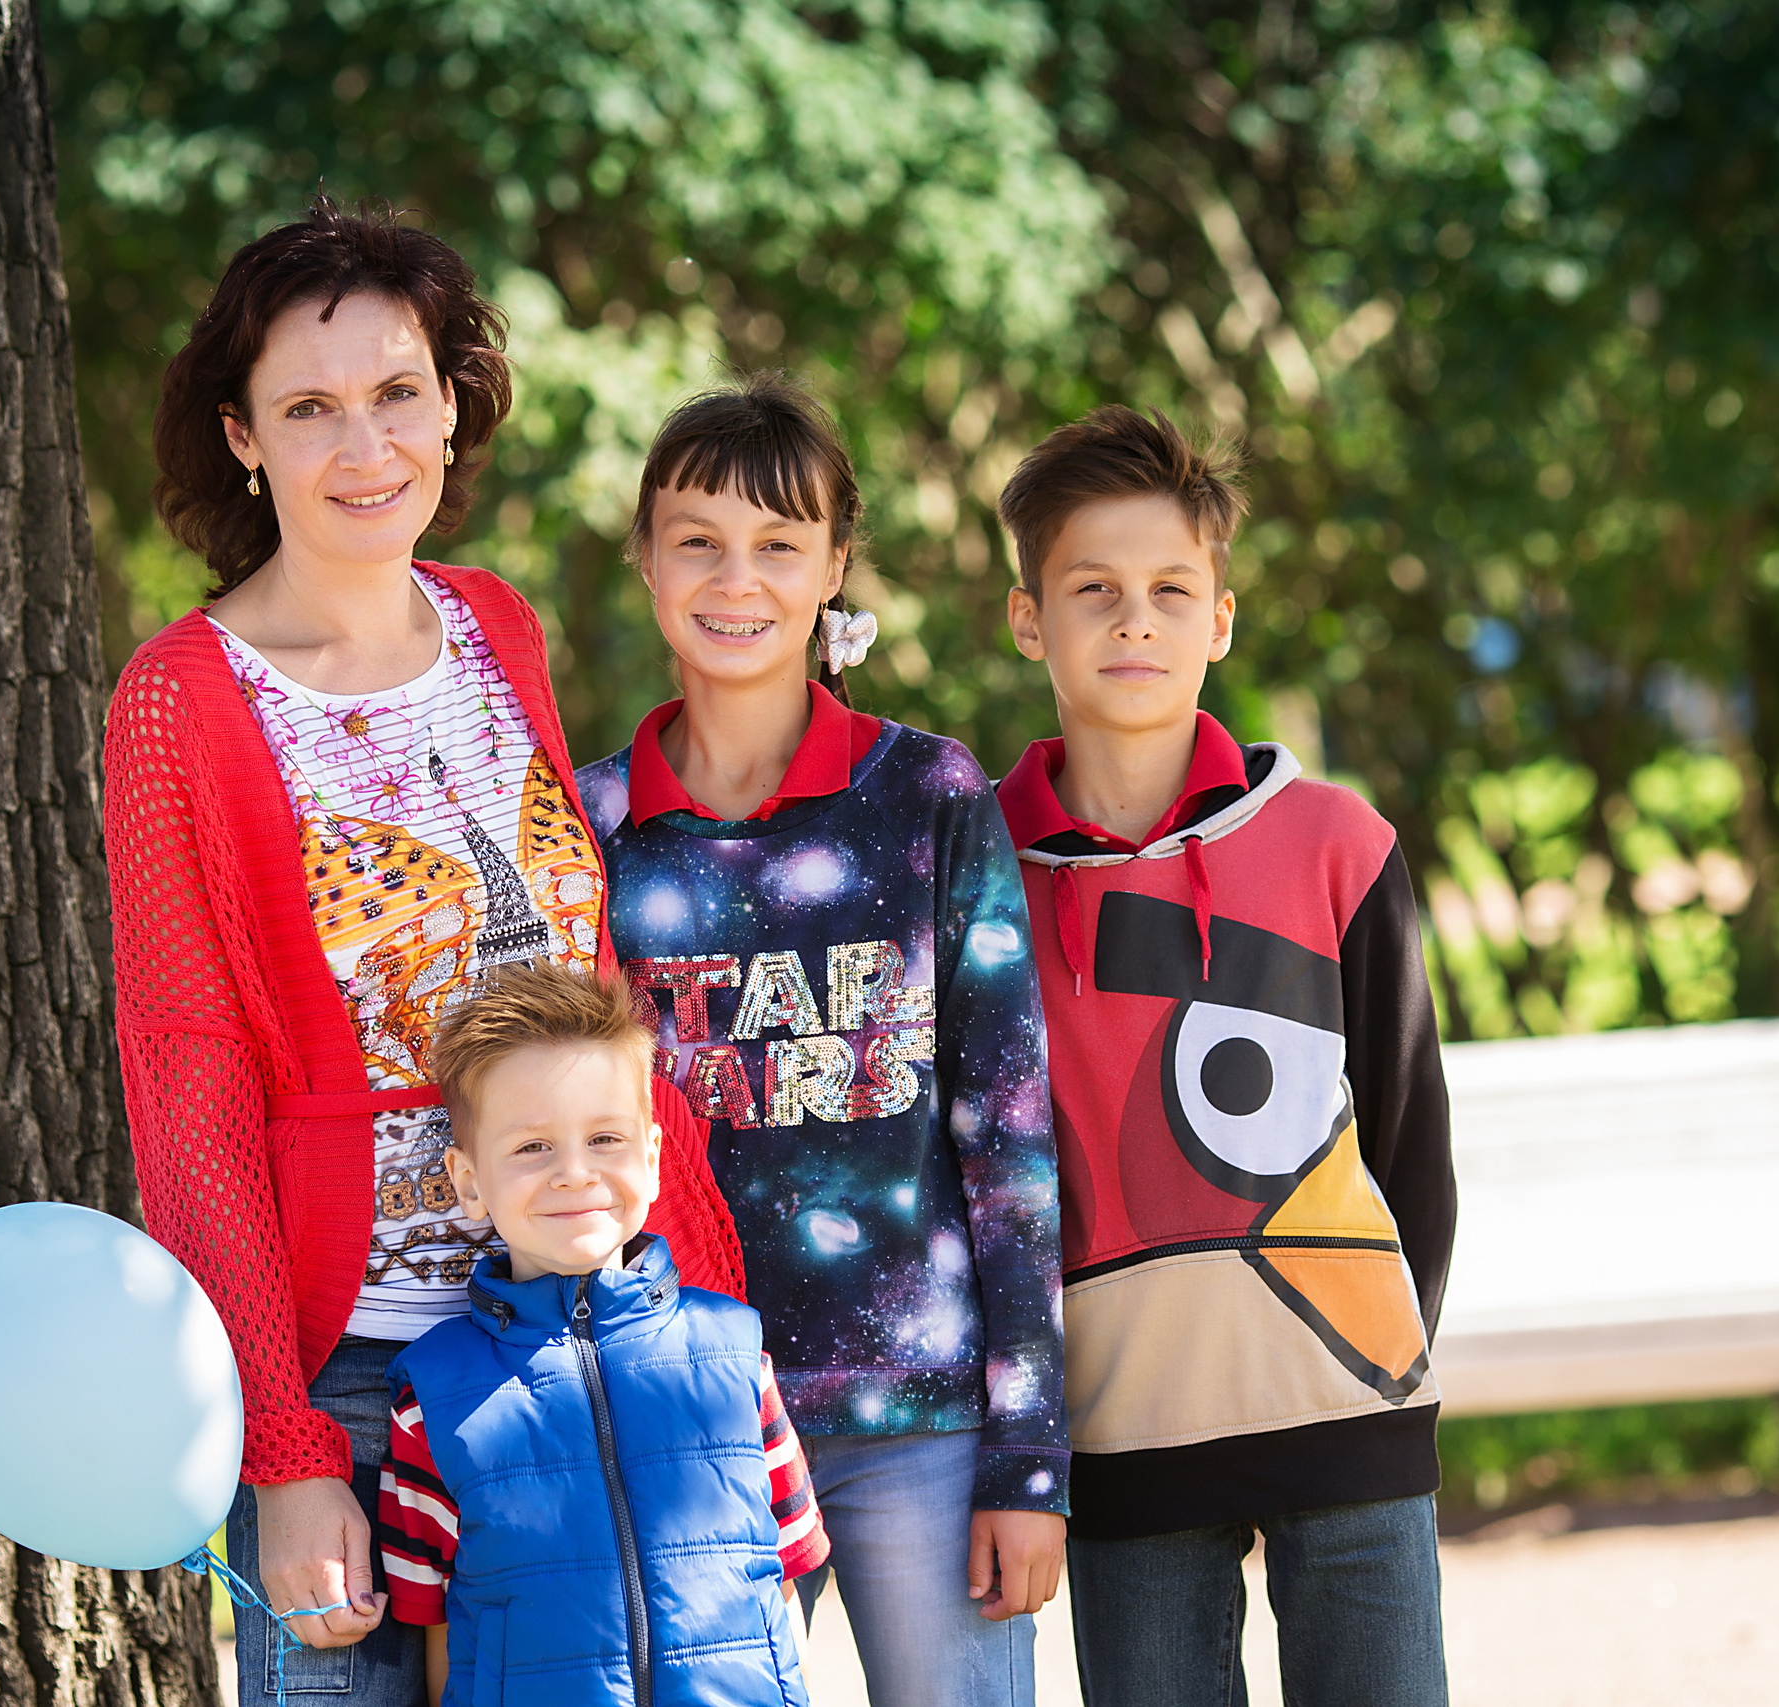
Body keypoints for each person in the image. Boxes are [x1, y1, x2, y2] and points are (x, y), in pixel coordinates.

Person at [103, 198, 743, 1707]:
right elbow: (188, 1086)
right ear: (243, 437)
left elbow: (591, 996)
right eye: (309, 408)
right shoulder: (180, 701)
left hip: (575, 1334)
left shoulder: (495, 625)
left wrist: (699, 1303)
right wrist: (285, 1450)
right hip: (358, 1369)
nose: (365, 444)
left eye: (399, 391)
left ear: (451, 403)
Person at [574, 374, 1067, 1707]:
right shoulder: (589, 823)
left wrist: (1030, 1459)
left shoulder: (923, 794)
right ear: (647, 557)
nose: (738, 579)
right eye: (699, 539)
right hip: (686, 1421)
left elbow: (1009, 1134)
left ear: (834, 564)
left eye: (780, 544)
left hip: (926, 1420)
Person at [991, 403, 1457, 1707]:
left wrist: (1382, 1376)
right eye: (1094, 589)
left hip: (1349, 1430)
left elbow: (1412, 1139)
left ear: (1221, 619)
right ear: (1030, 618)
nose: (1134, 619)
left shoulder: (1334, 841)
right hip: (1126, 1446)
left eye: (1168, 589)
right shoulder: (975, 874)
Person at [372, 961, 832, 1706]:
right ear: (467, 1180)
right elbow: (440, 1634)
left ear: (652, 1159)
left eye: (606, 1138)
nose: (574, 1174)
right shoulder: (432, 1398)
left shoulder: (738, 1357)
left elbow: (783, 1588)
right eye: (531, 1147)